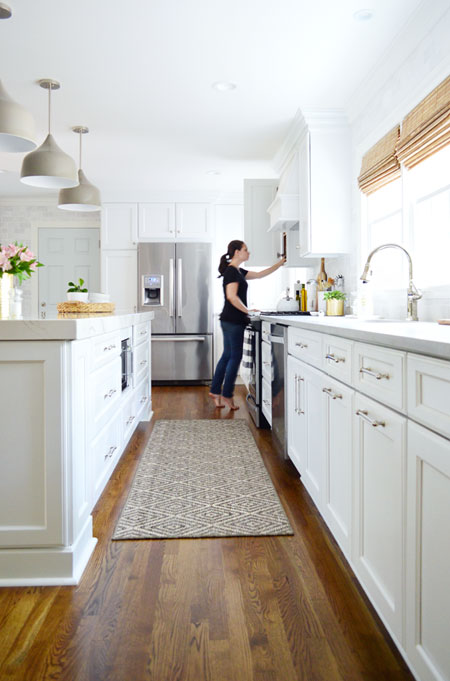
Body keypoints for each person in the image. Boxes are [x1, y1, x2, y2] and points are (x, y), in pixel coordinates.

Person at [210, 240, 285, 410]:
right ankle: (227, 395)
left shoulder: (236, 271)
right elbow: (232, 296)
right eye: (245, 250)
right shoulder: (231, 272)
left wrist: (279, 264)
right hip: (233, 320)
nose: (248, 253)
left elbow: (259, 275)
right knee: (234, 357)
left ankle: (215, 391)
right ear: (237, 252)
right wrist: (248, 311)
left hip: (229, 319)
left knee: (227, 356)